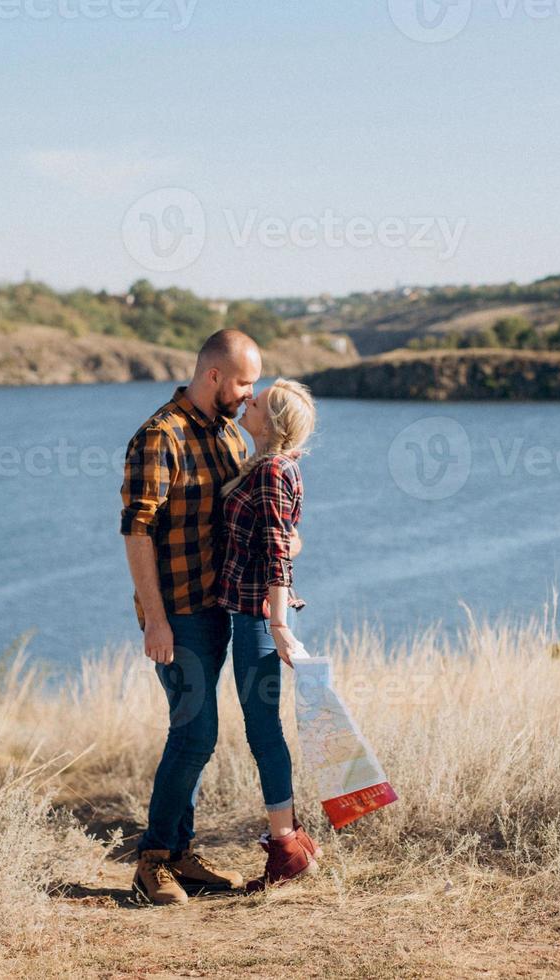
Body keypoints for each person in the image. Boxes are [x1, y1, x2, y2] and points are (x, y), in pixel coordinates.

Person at [120, 328, 286, 905]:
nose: (250, 394)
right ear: (213, 375)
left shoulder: (231, 440)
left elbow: (250, 524)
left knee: (198, 735)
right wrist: (156, 619)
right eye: (244, 382)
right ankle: (153, 861)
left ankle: (182, 855)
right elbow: (136, 531)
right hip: (180, 613)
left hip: (227, 611)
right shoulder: (158, 437)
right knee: (195, 732)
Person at [214, 377, 323, 891]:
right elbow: (288, 538)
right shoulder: (268, 467)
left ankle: (284, 850)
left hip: (261, 619)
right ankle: (294, 839)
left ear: (270, 423)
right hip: (260, 614)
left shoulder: (273, 470)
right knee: (266, 729)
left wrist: (278, 625)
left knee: (263, 731)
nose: (247, 400)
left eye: (255, 402)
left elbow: (280, 549)